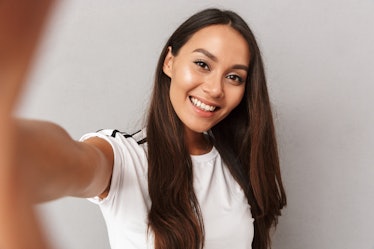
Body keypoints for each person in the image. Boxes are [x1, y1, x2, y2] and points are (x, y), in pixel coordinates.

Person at [0, 5, 286, 249]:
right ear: (170, 62)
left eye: (234, 77)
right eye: (202, 64)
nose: (214, 89)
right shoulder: (126, 158)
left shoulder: (237, 163)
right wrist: (15, 148)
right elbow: (64, 159)